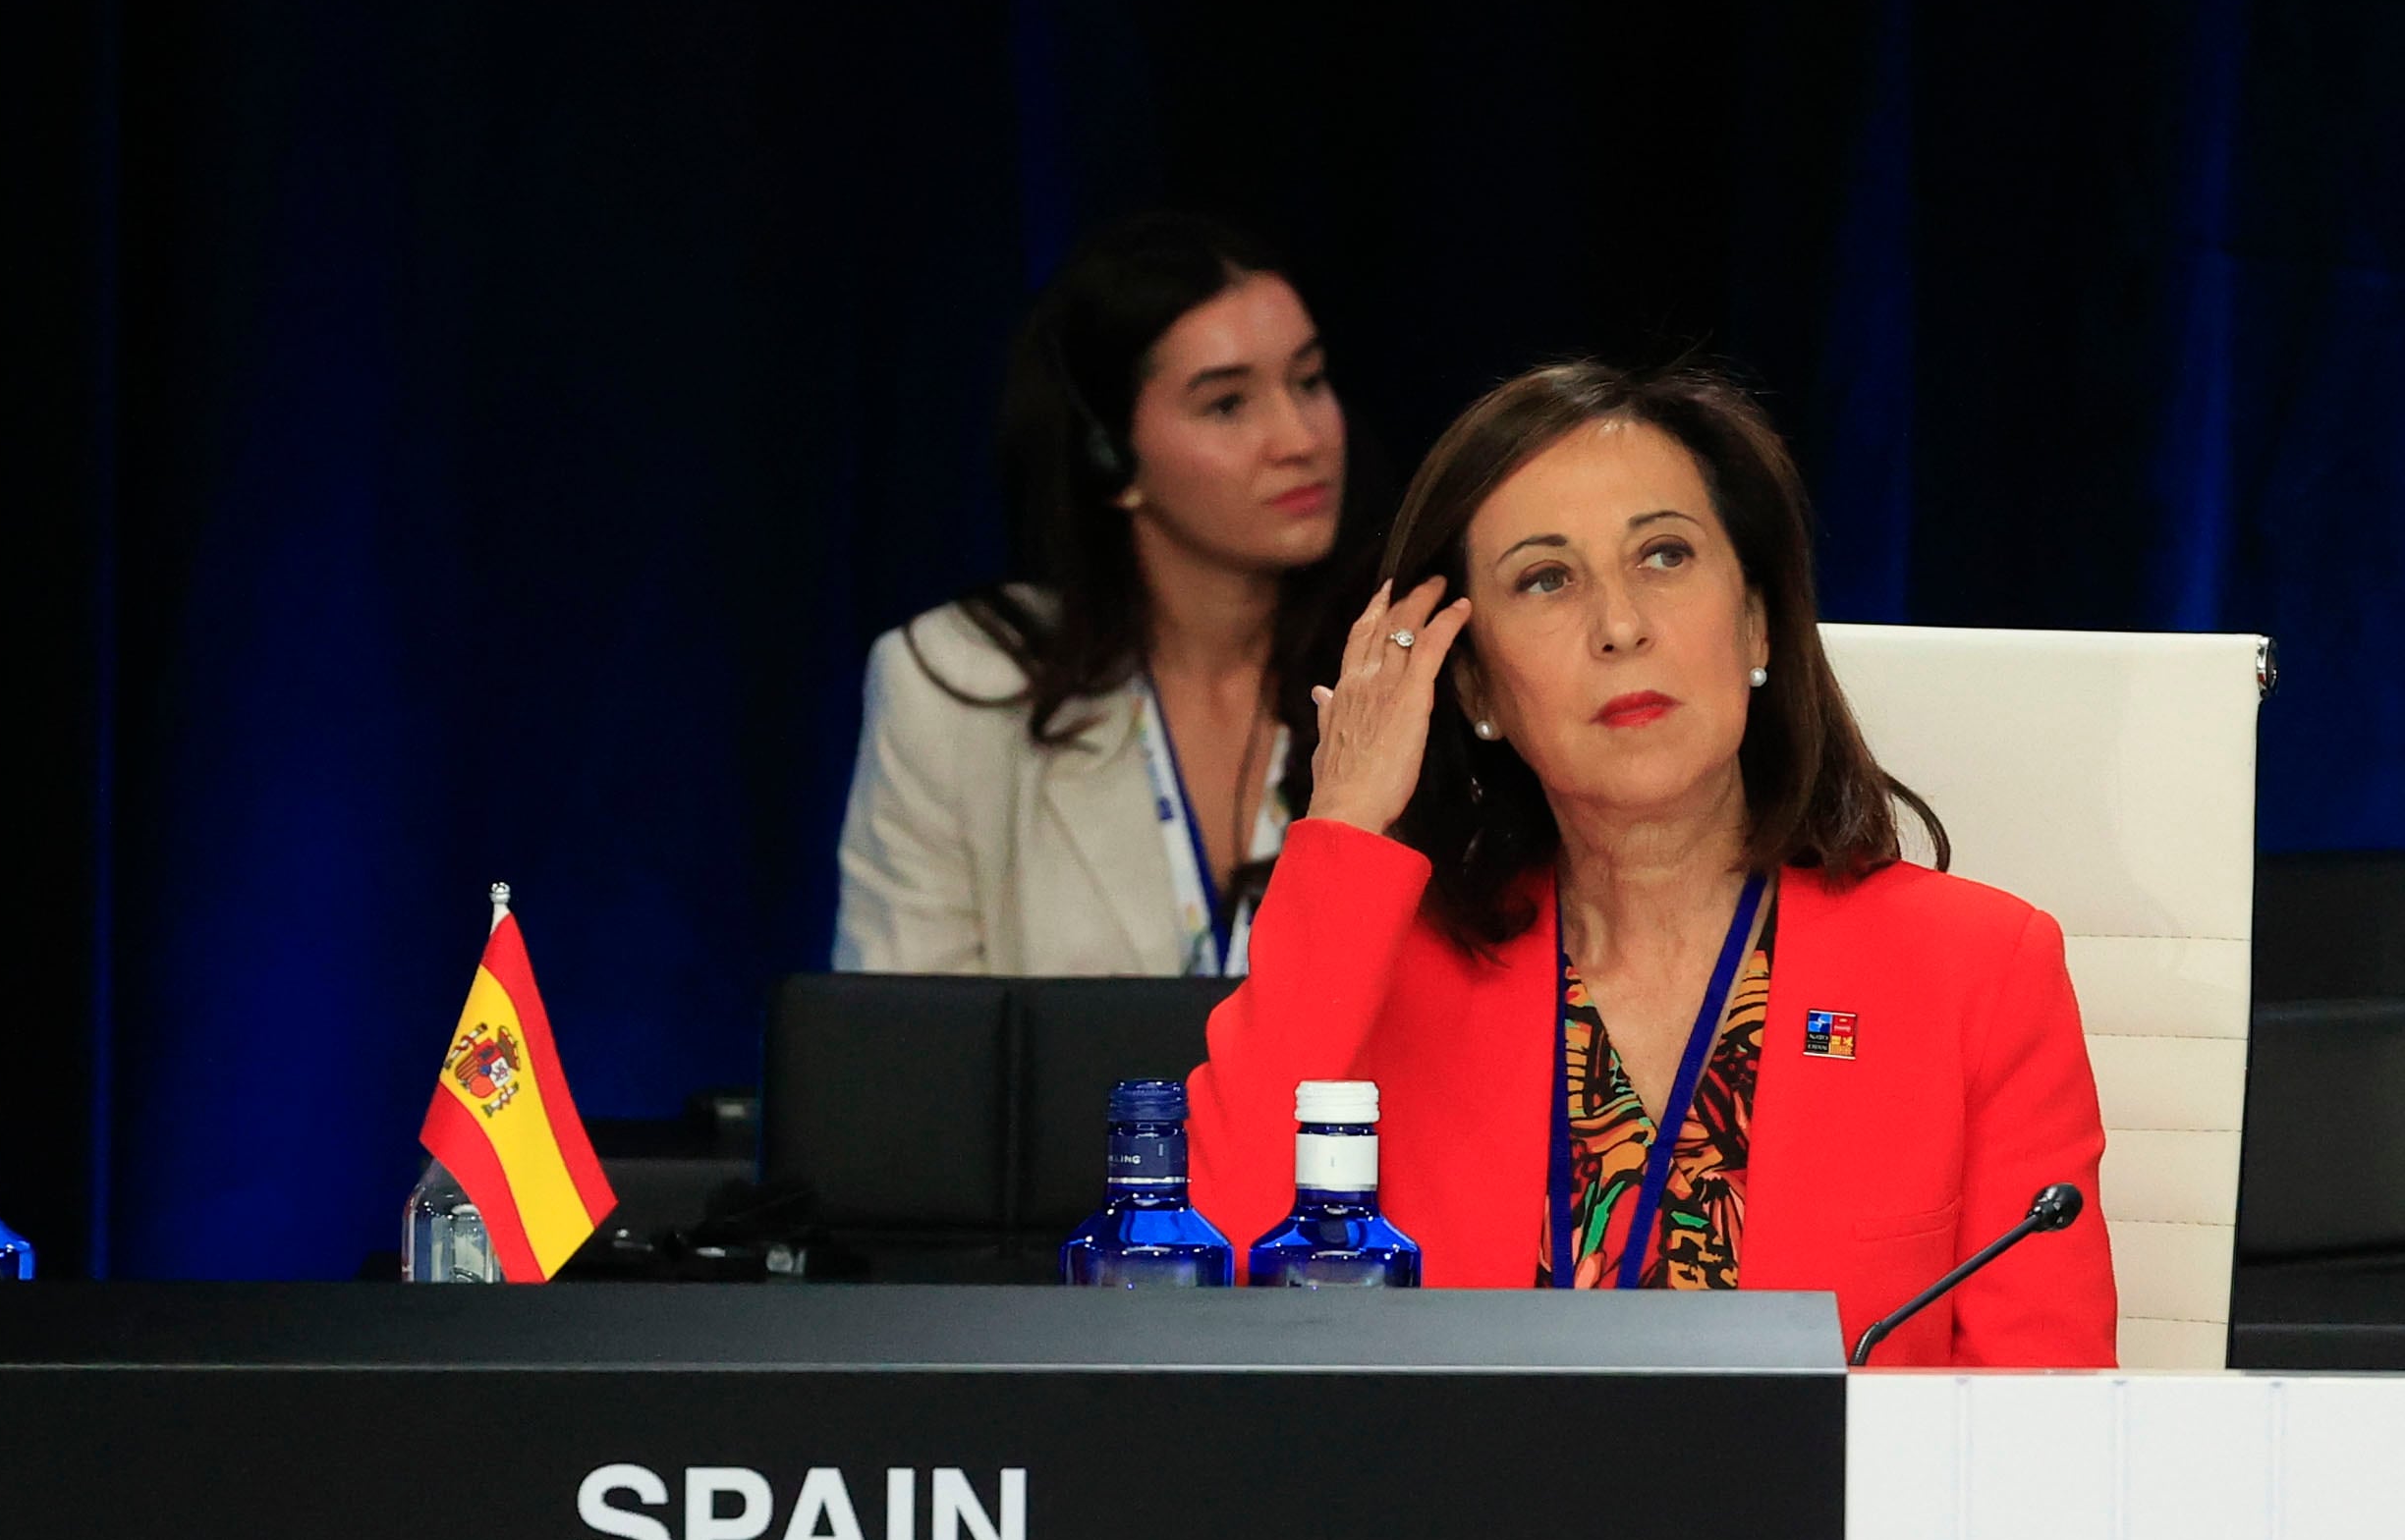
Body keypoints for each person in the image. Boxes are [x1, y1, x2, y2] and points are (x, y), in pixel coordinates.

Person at [1186, 360, 2117, 1367]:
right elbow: (1206, 1297)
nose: (1619, 625)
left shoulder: (1975, 972)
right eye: (1545, 580)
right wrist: (1347, 828)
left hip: (1836, 1524)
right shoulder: (1384, 983)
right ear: (1473, 690)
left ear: (1756, 623)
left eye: (1663, 556)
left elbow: (2044, 1436)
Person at [832, 213, 1380, 975]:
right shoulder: (955, 685)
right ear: (1108, 454)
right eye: (1227, 404)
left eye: (1309, 382)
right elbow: (901, 1058)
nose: (1299, 439)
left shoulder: (1400, 674)